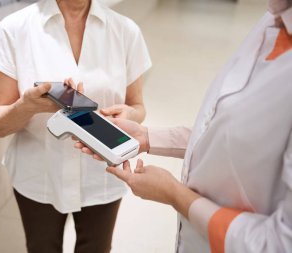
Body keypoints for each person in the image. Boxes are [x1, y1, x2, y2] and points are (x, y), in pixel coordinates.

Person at [75, 0, 292, 252]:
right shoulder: (271, 21)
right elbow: (226, 134)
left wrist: (174, 194)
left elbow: (280, 243)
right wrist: (146, 136)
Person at [0, 0, 151, 252]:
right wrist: (27, 106)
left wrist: (130, 115)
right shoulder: (14, 29)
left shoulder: (125, 30)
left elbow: (138, 106)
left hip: (103, 174)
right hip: (39, 175)